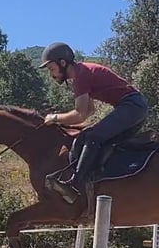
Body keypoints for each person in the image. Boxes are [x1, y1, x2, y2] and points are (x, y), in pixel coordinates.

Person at [39, 42, 149, 203]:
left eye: (51, 69)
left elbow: (80, 114)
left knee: (92, 137)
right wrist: (71, 124)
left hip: (132, 106)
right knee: (89, 136)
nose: (51, 74)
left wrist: (54, 118)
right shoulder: (81, 73)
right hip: (134, 107)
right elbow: (90, 110)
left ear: (62, 63)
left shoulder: (81, 76)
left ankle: (74, 185)